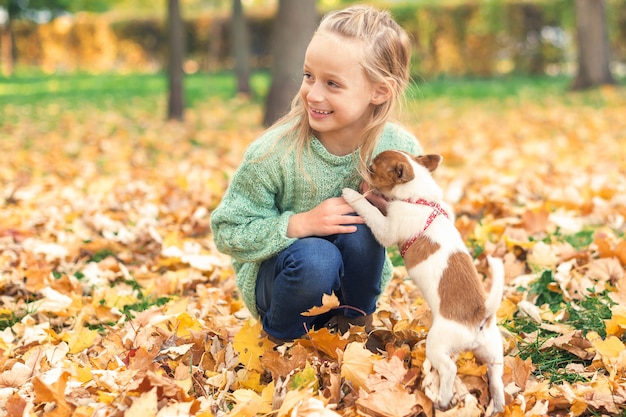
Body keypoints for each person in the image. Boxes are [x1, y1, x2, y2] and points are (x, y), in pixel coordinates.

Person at [210, 5, 422, 343]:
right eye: (309, 76)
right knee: (318, 258)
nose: (314, 93)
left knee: (361, 228)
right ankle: (282, 340)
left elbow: (421, 224)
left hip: (350, 287)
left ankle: (353, 328)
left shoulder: (396, 148)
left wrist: (391, 209)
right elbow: (227, 230)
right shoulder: (274, 153)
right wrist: (299, 224)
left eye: (333, 84)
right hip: (283, 285)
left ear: (379, 91)